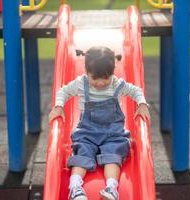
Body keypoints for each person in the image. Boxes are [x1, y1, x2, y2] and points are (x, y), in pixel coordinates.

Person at [48, 46, 150, 200]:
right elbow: (63, 91)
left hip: (113, 133)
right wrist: (59, 107)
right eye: (95, 78)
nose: (101, 83)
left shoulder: (117, 85)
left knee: (113, 154)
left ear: (113, 72)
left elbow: (136, 91)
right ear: (86, 71)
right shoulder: (81, 84)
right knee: (82, 153)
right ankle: (75, 188)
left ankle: (111, 188)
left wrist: (141, 104)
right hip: (87, 132)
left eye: (106, 78)